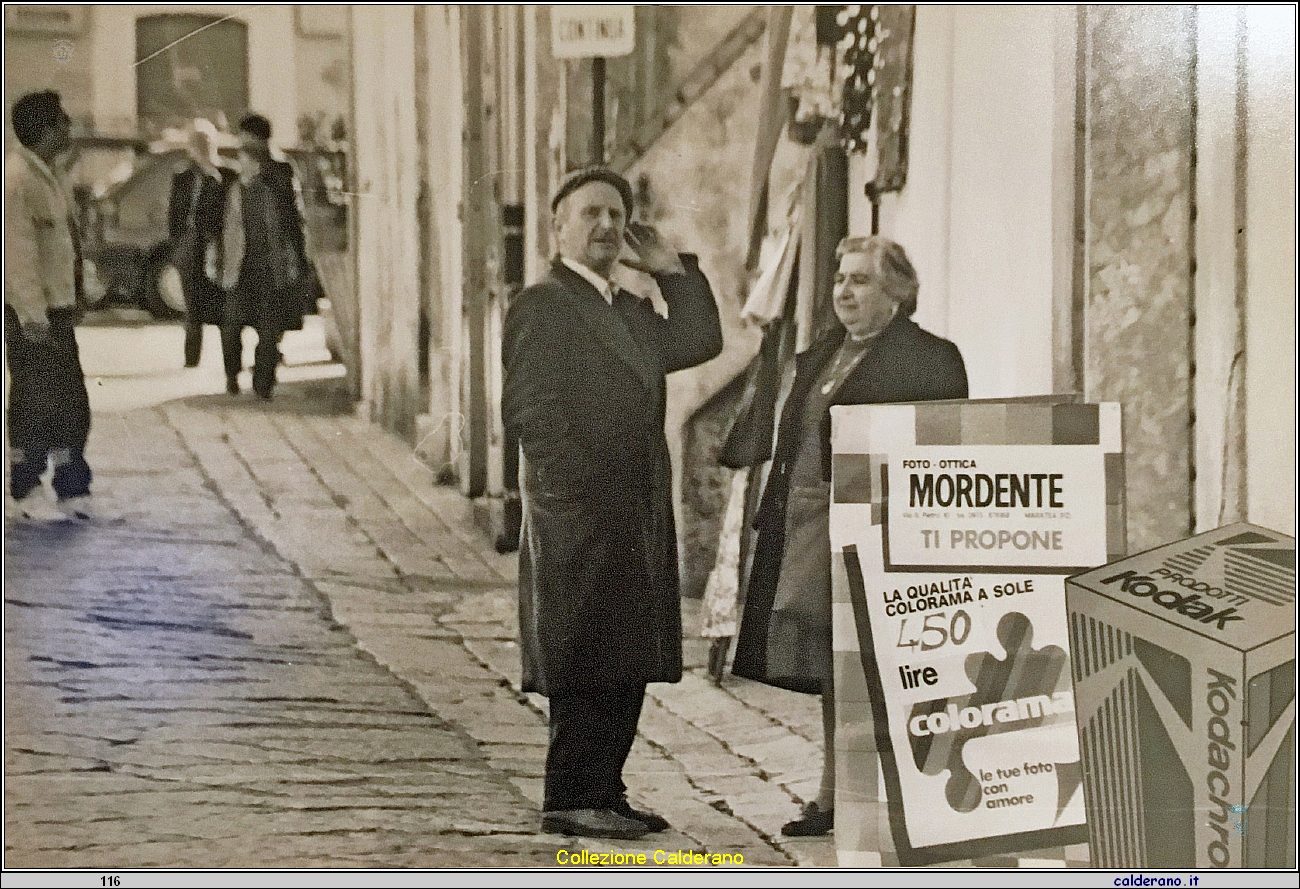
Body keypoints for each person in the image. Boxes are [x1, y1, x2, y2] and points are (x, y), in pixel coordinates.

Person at [502, 168, 723, 841]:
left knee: (626, 653)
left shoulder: (625, 306)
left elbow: (700, 341)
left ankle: (605, 789)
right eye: (590, 213)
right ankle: (571, 794)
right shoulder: (542, 303)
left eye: (615, 216)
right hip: (580, 513)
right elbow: (530, 413)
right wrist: (575, 498)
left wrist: (673, 273)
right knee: (584, 652)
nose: (604, 226)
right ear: (558, 227)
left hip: (634, 510)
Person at [731, 235, 968, 836]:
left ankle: (908, 798)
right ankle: (833, 795)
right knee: (835, 665)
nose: (843, 291)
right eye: (840, 279)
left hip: (884, 533)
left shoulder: (931, 359)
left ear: (897, 293)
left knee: (891, 666)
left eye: (860, 280)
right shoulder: (819, 356)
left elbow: (946, 452)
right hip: (812, 527)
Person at [4, 90, 104, 523]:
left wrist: (77, 296)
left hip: (57, 309)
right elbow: (16, 254)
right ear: (45, 130)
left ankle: (71, 488)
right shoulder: (17, 180)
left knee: (69, 402)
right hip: (32, 315)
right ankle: (25, 489)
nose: (69, 126)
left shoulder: (49, 174)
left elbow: (65, 244)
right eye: (63, 120)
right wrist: (32, 313)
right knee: (34, 402)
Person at [220, 113, 310, 399]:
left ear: (259, 139)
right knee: (232, 325)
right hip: (240, 264)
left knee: (269, 326)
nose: (241, 143)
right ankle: (232, 374)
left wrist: (298, 258)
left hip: (271, 263)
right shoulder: (236, 179)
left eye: (246, 137)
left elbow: (294, 219)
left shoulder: (281, 172)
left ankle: (263, 381)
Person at [167, 119, 236, 368]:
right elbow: (174, 214)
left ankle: (230, 361)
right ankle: (191, 358)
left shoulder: (228, 174)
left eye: (204, 141)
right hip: (189, 245)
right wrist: (177, 246)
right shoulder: (182, 176)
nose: (200, 147)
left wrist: (211, 173)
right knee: (192, 305)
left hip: (217, 245)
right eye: (195, 142)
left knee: (222, 304)